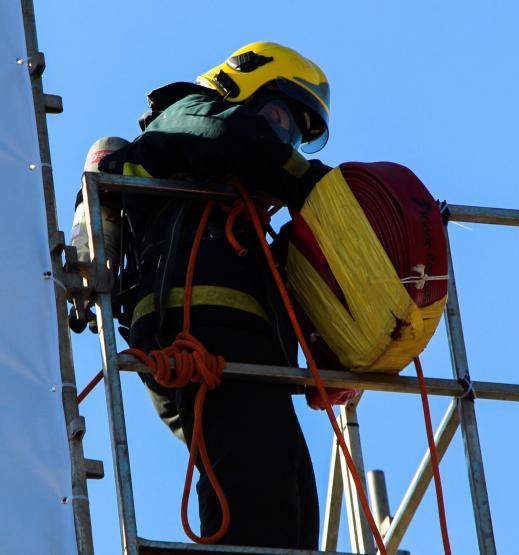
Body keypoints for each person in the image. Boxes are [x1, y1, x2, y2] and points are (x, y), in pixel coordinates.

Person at [93, 42, 333, 549]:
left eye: (293, 135)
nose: (283, 141)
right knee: (254, 489)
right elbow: (230, 135)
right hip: (199, 325)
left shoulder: (244, 211)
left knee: (293, 494)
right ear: (240, 85)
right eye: (278, 117)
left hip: (234, 336)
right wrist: (323, 190)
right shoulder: (186, 111)